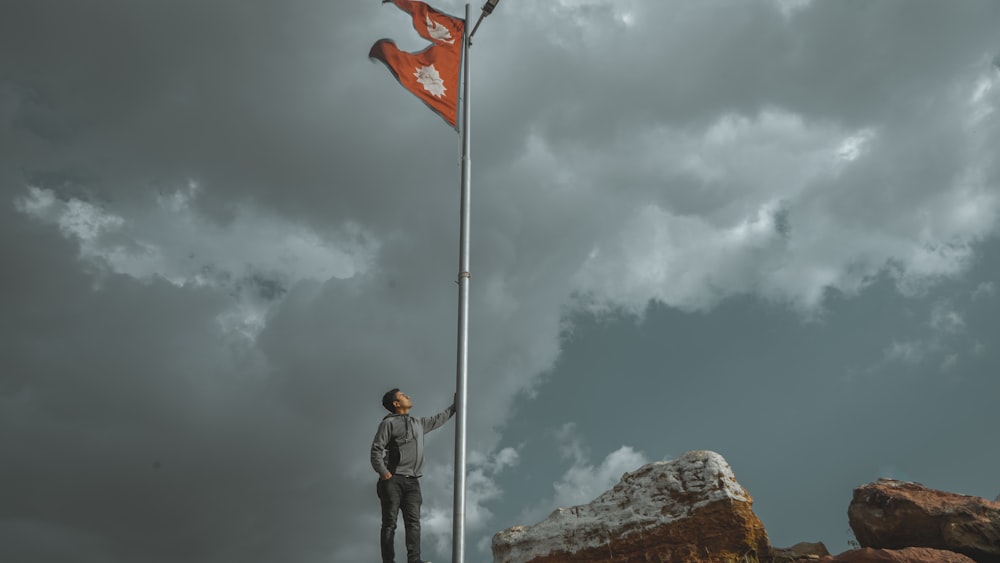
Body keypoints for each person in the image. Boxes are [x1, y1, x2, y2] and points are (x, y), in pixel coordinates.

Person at [371, 389, 455, 563]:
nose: (408, 396)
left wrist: (455, 406)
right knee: (389, 524)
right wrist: (384, 473)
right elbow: (376, 450)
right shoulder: (388, 424)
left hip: (413, 481)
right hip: (392, 479)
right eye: (403, 395)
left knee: (414, 524)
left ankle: (414, 561)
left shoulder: (418, 422)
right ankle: (388, 561)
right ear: (396, 403)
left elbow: (439, 418)